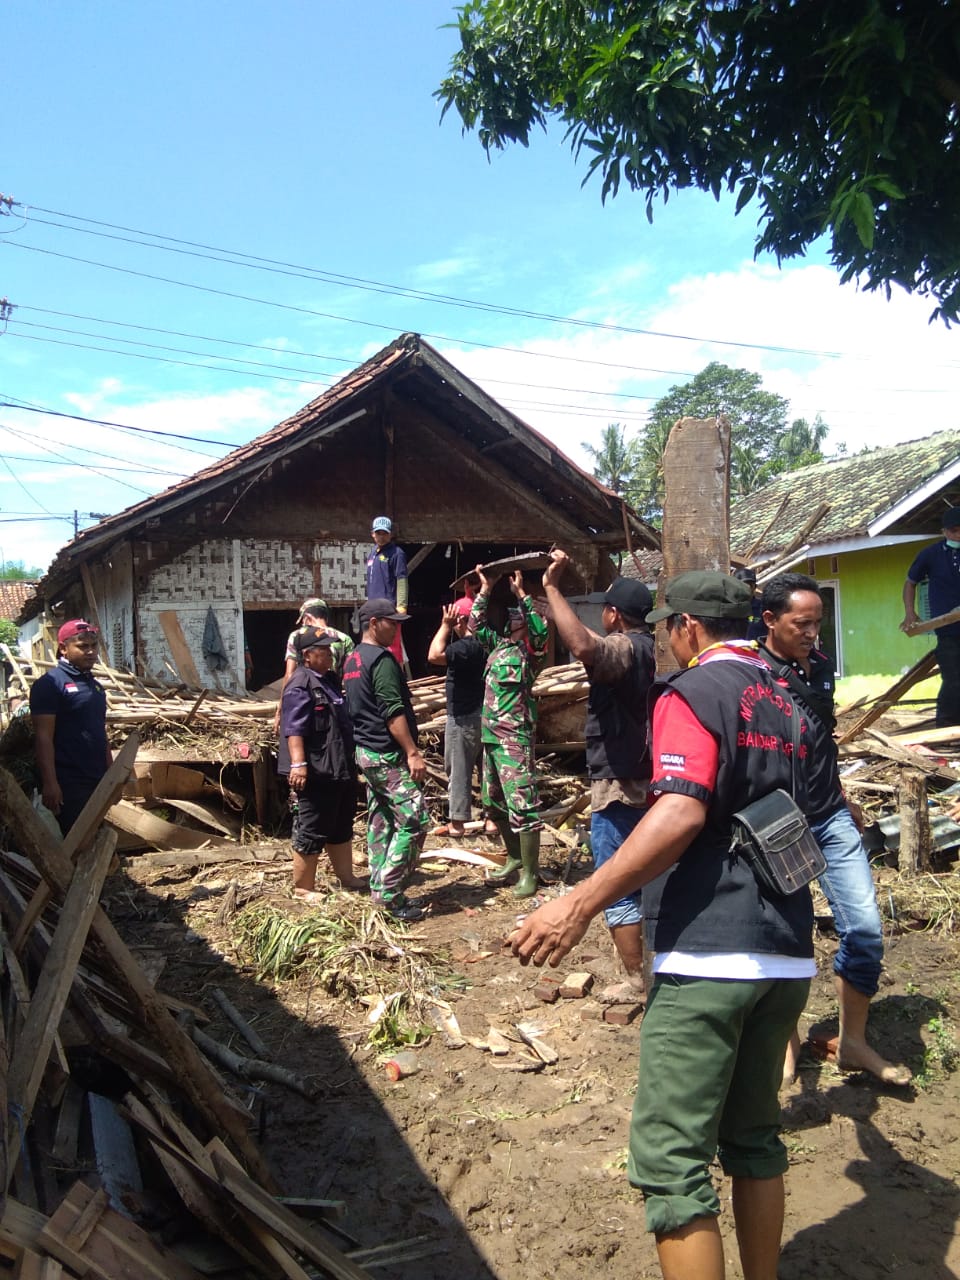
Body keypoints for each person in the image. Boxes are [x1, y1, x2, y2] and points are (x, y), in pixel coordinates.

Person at [510, 571, 815, 1280]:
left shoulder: (692, 694)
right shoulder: (790, 697)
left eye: (666, 630)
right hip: (787, 954)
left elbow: (679, 811)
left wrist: (577, 903)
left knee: (672, 1165)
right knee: (756, 1141)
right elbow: (824, 816)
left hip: (711, 953)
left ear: (687, 629)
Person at [760, 572, 912, 1086]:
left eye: (817, 623)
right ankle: (787, 1041)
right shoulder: (753, 674)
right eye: (801, 624)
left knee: (864, 929)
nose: (811, 633)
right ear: (770, 621)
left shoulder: (822, 667)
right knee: (787, 936)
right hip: (778, 825)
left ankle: (852, 1042)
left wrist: (842, 796)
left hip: (828, 815)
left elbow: (822, 739)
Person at [542, 551, 655, 997]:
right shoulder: (652, 647)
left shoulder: (623, 650)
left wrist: (552, 589)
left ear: (613, 614)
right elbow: (589, 638)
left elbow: (587, 647)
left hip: (620, 784)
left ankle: (637, 980)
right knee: (651, 874)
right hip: (651, 780)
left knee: (615, 881)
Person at [342, 597, 429, 921]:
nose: (396, 629)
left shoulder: (352, 661)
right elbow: (392, 712)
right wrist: (412, 752)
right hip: (385, 754)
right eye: (391, 622)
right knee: (415, 819)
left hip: (365, 751)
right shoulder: (381, 661)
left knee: (381, 819)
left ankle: (379, 885)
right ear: (373, 622)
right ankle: (390, 895)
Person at [469, 565, 548, 897]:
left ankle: (531, 873)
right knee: (495, 802)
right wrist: (485, 589)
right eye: (513, 616)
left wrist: (522, 595)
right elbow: (474, 624)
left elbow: (541, 632)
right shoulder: (497, 647)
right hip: (490, 737)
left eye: (519, 618)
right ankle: (515, 857)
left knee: (523, 805)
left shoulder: (530, 654)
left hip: (514, 737)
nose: (514, 620)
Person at [279, 626, 364, 899]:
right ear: (307, 656)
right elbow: (294, 728)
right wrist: (298, 764)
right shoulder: (300, 683)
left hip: (339, 766)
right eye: (324, 651)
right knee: (312, 825)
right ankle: (303, 888)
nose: (330, 655)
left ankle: (346, 877)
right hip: (316, 770)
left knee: (340, 823)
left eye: (330, 650)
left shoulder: (329, 680)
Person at [29, 619, 112, 835]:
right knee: (77, 843)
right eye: (83, 646)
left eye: (94, 646)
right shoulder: (49, 685)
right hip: (69, 783)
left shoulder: (96, 687)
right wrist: (50, 783)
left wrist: (111, 776)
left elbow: (99, 731)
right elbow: (43, 737)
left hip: (97, 778)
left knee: (96, 838)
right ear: (63, 648)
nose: (91, 651)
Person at [426, 597, 497, 837]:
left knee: (458, 769)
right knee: (488, 769)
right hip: (485, 713)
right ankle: (492, 819)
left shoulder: (467, 646)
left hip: (464, 716)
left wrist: (445, 626)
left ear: (462, 620)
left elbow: (434, 655)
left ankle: (457, 824)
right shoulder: (489, 642)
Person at [901, 506, 960, 726]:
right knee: (953, 679)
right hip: (948, 631)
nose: (959, 535)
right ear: (945, 531)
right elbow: (910, 583)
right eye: (954, 531)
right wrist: (910, 612)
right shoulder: (930, 554)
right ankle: (945, 726)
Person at [273, 598, 354, 733]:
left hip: (306, 701)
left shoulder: (297, 636)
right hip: (334, 701)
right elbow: (350, 676)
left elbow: (289, 674)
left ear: (307, 618)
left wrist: (280, 710)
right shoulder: (344, 639)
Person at [366, 516, 408, 667]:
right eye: (378, 533)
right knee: (373, 645)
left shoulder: (397, 553)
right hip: (373, 609)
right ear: (373, 534)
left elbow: (401, 579)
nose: (381, 537)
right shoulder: (372, 554)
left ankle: (396, 677)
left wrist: (402, 606)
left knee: (392, 646)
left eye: (384, 533)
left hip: (389, 609)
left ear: (390, 534)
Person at [734, 566, 766, 641]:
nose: (747, 589)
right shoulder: (728, 608)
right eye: (743, 585)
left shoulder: (763, 608)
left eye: (750, 585)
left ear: (755, 587)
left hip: (757, 651)